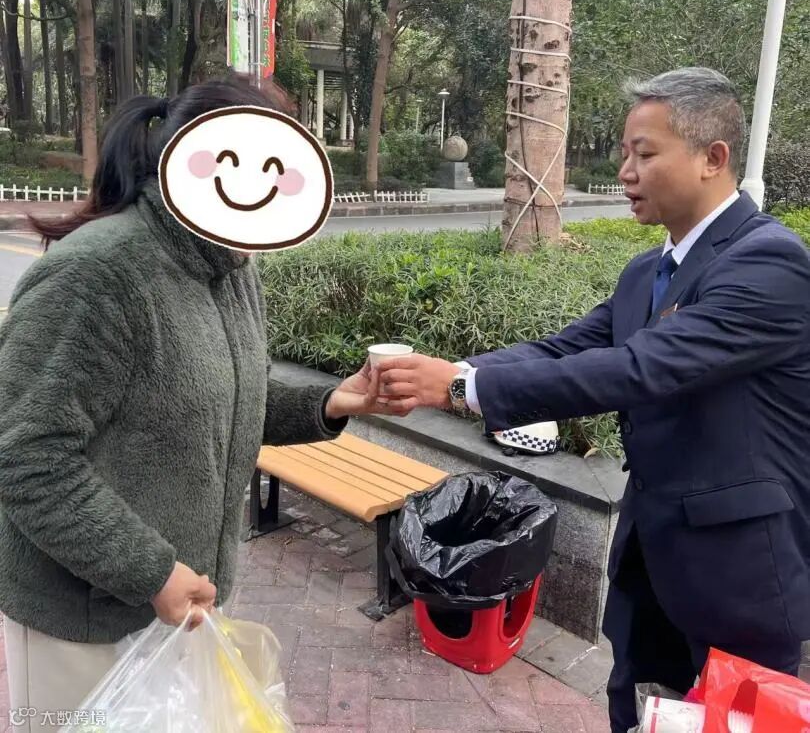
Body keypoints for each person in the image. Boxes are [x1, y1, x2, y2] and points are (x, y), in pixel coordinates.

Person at [371, 67, 810, 732]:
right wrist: (443, 374)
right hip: (649, 558)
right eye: (625, 153)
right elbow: (564, 349)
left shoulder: (770, 264)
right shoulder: (646, 272)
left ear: (713, 158)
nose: (625, 171)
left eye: (645, 153)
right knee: (633, 707)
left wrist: (462, 389)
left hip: (739, 576)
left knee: (735, 722)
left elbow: (639, 369)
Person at [0, 78, 398, 730]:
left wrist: (332, 401)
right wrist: (152, 573)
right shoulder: (97, 274)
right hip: (81, 621)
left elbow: (229, 402)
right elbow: (26, 456)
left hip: (176, 604)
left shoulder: (231, 268)